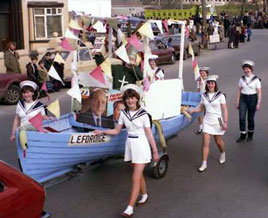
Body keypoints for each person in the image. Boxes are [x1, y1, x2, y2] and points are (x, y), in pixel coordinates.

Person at [94, 84, 159, 217]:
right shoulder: (123, 114)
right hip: (130, 145)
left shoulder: (144, 114)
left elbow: (149, 134)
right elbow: (117, 131)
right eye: (128, 98)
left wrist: (155, 151)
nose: (130, 101)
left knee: (135, 177)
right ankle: (145, 195)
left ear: (137, 99)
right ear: (125, 100)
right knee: (138, 174)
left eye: (133, 98)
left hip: (141, 146)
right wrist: (101, 131)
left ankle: (129, 207)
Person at [189, 75, 228, 172]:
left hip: (217, 121)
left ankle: (222, 153)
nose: (210, 85)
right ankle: (204, 163)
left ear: (215, 84)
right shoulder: (204, 95)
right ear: (207, 84)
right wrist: (193, 110)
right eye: (209, 83)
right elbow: (201, 108)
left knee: (218, 141)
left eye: (212, 83)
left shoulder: (220, 95)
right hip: (207, 120)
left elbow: (225, 109)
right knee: (205, 142)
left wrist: (225, 122)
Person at [235, 60, 261, 142]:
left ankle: (250, 135)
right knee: (241, 117)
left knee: (250, 118)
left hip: (253, 98)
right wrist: (237, 101)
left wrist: (258, 103)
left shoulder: (256, 79)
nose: (246, 70)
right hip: (243, 98)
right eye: (245, 69)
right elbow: (239, 90)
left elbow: (259, 92)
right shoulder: (241, 79)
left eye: (248, 69)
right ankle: (242, 134)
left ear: (251, 69)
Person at [196, 67, 209, 134]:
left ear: (207, 74)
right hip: (201, 98)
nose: (202, 74)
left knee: (207, 114)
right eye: (201, 73)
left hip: (207, 98)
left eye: (203, 73)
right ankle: (200, 127)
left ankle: (207, 128)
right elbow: (198, 90)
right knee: (199, 113)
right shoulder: (199, 80)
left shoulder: (209, 80)